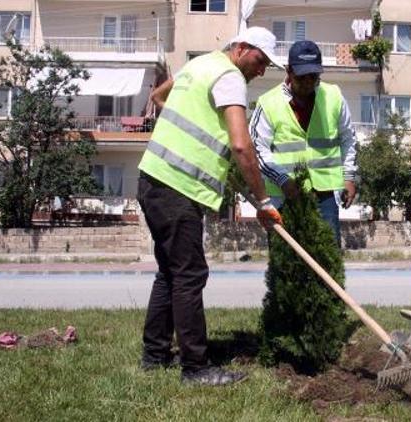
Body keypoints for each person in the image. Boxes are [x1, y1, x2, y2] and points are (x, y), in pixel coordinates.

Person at [136, 27, 284, 386]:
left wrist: (198, 138)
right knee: (189, 275)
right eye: (260, 61)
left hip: (153, 178)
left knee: (170, 272)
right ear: (242, 49)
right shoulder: (231, 77)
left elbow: (157, 97)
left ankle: (154, 356)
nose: (262, 70)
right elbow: (241, 145)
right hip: (177, 188)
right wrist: (263, 201)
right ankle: (196, 369)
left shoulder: (200, 64)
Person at [249, 40, 357, 245]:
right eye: (302, 77)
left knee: (327, 259)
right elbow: (257, 149)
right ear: (289, 71)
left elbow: (348, 139)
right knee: (286, 264)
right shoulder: (268, 102)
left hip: (325, 196)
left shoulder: (334, 96)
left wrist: (349, 176)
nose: (308, 82)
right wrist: (282, 180)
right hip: (283, 196)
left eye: (314, 77)